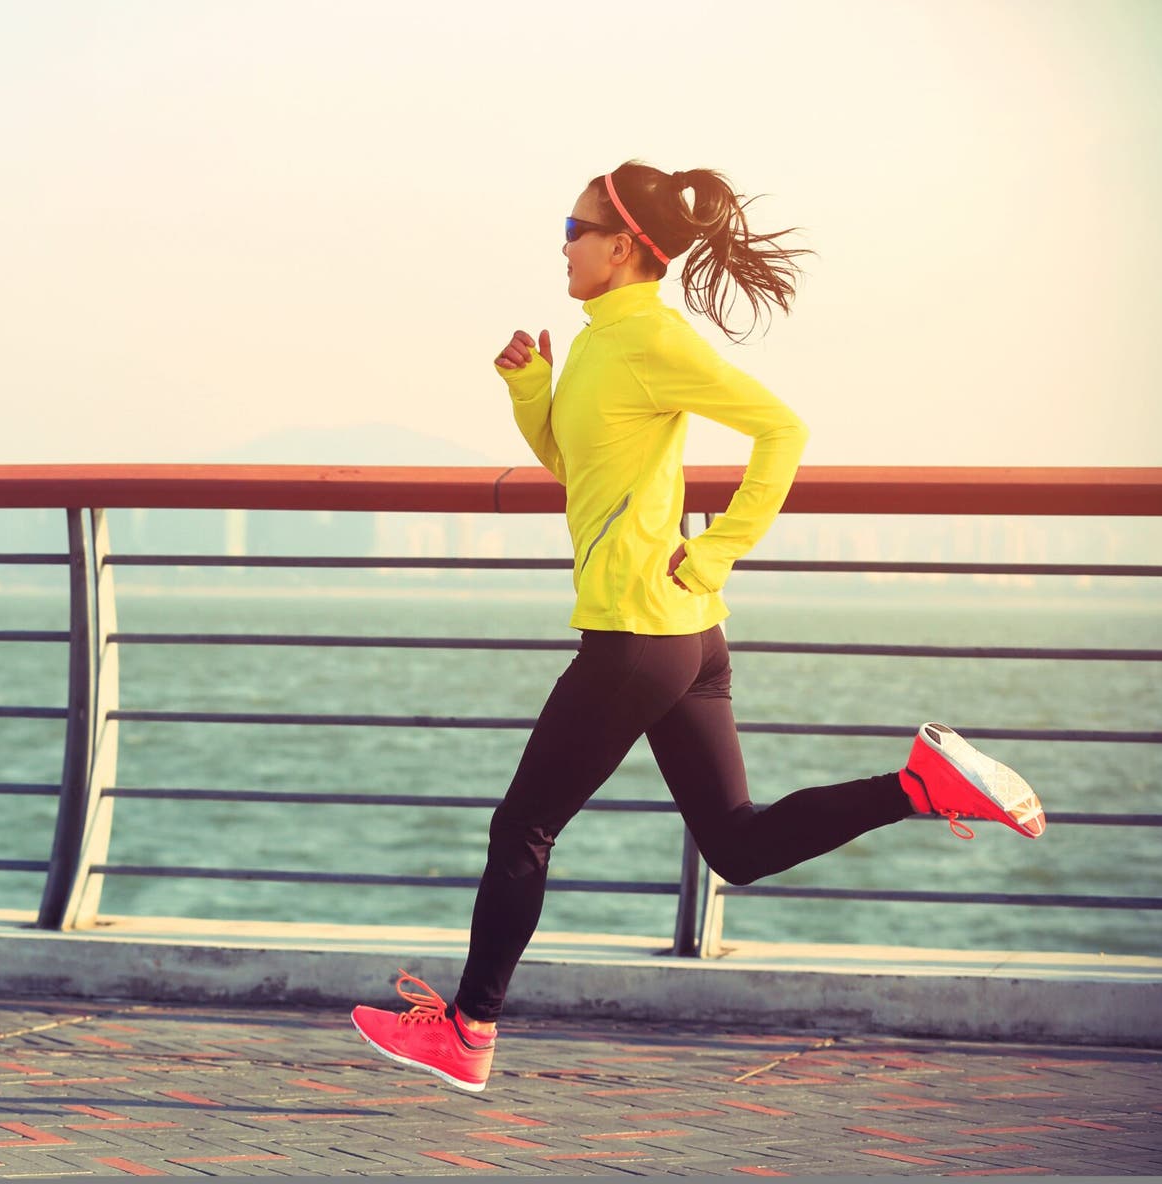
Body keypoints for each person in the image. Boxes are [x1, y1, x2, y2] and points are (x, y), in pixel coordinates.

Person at [349, 160, 1046, 1093]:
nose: (562, 239)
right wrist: (531, 390)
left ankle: (468, 1032)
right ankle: (919, 786)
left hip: (642, 634)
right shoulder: (601, 339)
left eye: (576, 223)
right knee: (738, 846)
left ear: (627, 244)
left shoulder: (654, 340)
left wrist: (721, 546)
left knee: (522, 827)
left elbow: (782, 429)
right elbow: (577, 464)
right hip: (680, 637)